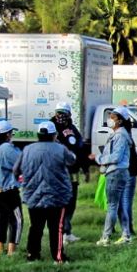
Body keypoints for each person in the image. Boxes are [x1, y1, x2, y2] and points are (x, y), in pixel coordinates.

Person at [13, 122, 75, 263]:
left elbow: (16, 170)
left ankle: (32, 255)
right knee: (56, 228)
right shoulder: (60, 149)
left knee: (35, 226)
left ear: (38, 135)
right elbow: (71, 161)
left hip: (33, 195)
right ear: (54, 135)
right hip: (57, 195)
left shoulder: (27, 149)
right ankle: (58, 257)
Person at [0, 120, 23, 255]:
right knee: (16, 219)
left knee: (1, 219)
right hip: (8, 189)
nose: (12, 135)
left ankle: (0, 249)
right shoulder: (6, 148)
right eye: (11, 133)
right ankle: (11, 251)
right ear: (7, 134)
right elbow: (21, 162)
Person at [96, 108, 132, 246]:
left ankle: (106, 237)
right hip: (119, 172)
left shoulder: (120, 136)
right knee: (120, 206)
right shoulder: (119, 134)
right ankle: (125, 234)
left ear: (120, 121)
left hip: (115, 172)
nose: (109, 119)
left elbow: (116, 156)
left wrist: (100, 158)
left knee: (112, 206)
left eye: (113, 117)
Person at [51, 102, 85, 245]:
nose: (61, 116)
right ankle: (60, 232)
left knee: (71, 201)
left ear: (69, 114)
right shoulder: (51, 127)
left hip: (72, 171)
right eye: (59, 112)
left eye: (64, 113)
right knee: (61, 203)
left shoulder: (71, 127)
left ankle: (67, 230)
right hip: (58, 171)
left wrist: (84, 166)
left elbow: (79, 145)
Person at [117, 106, 137, 238]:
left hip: (127, 171)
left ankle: (127, 229)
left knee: (124, 201)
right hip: (130, 171)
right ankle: (127, 228)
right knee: (124, 201)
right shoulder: (126, 133)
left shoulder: (122, 134)